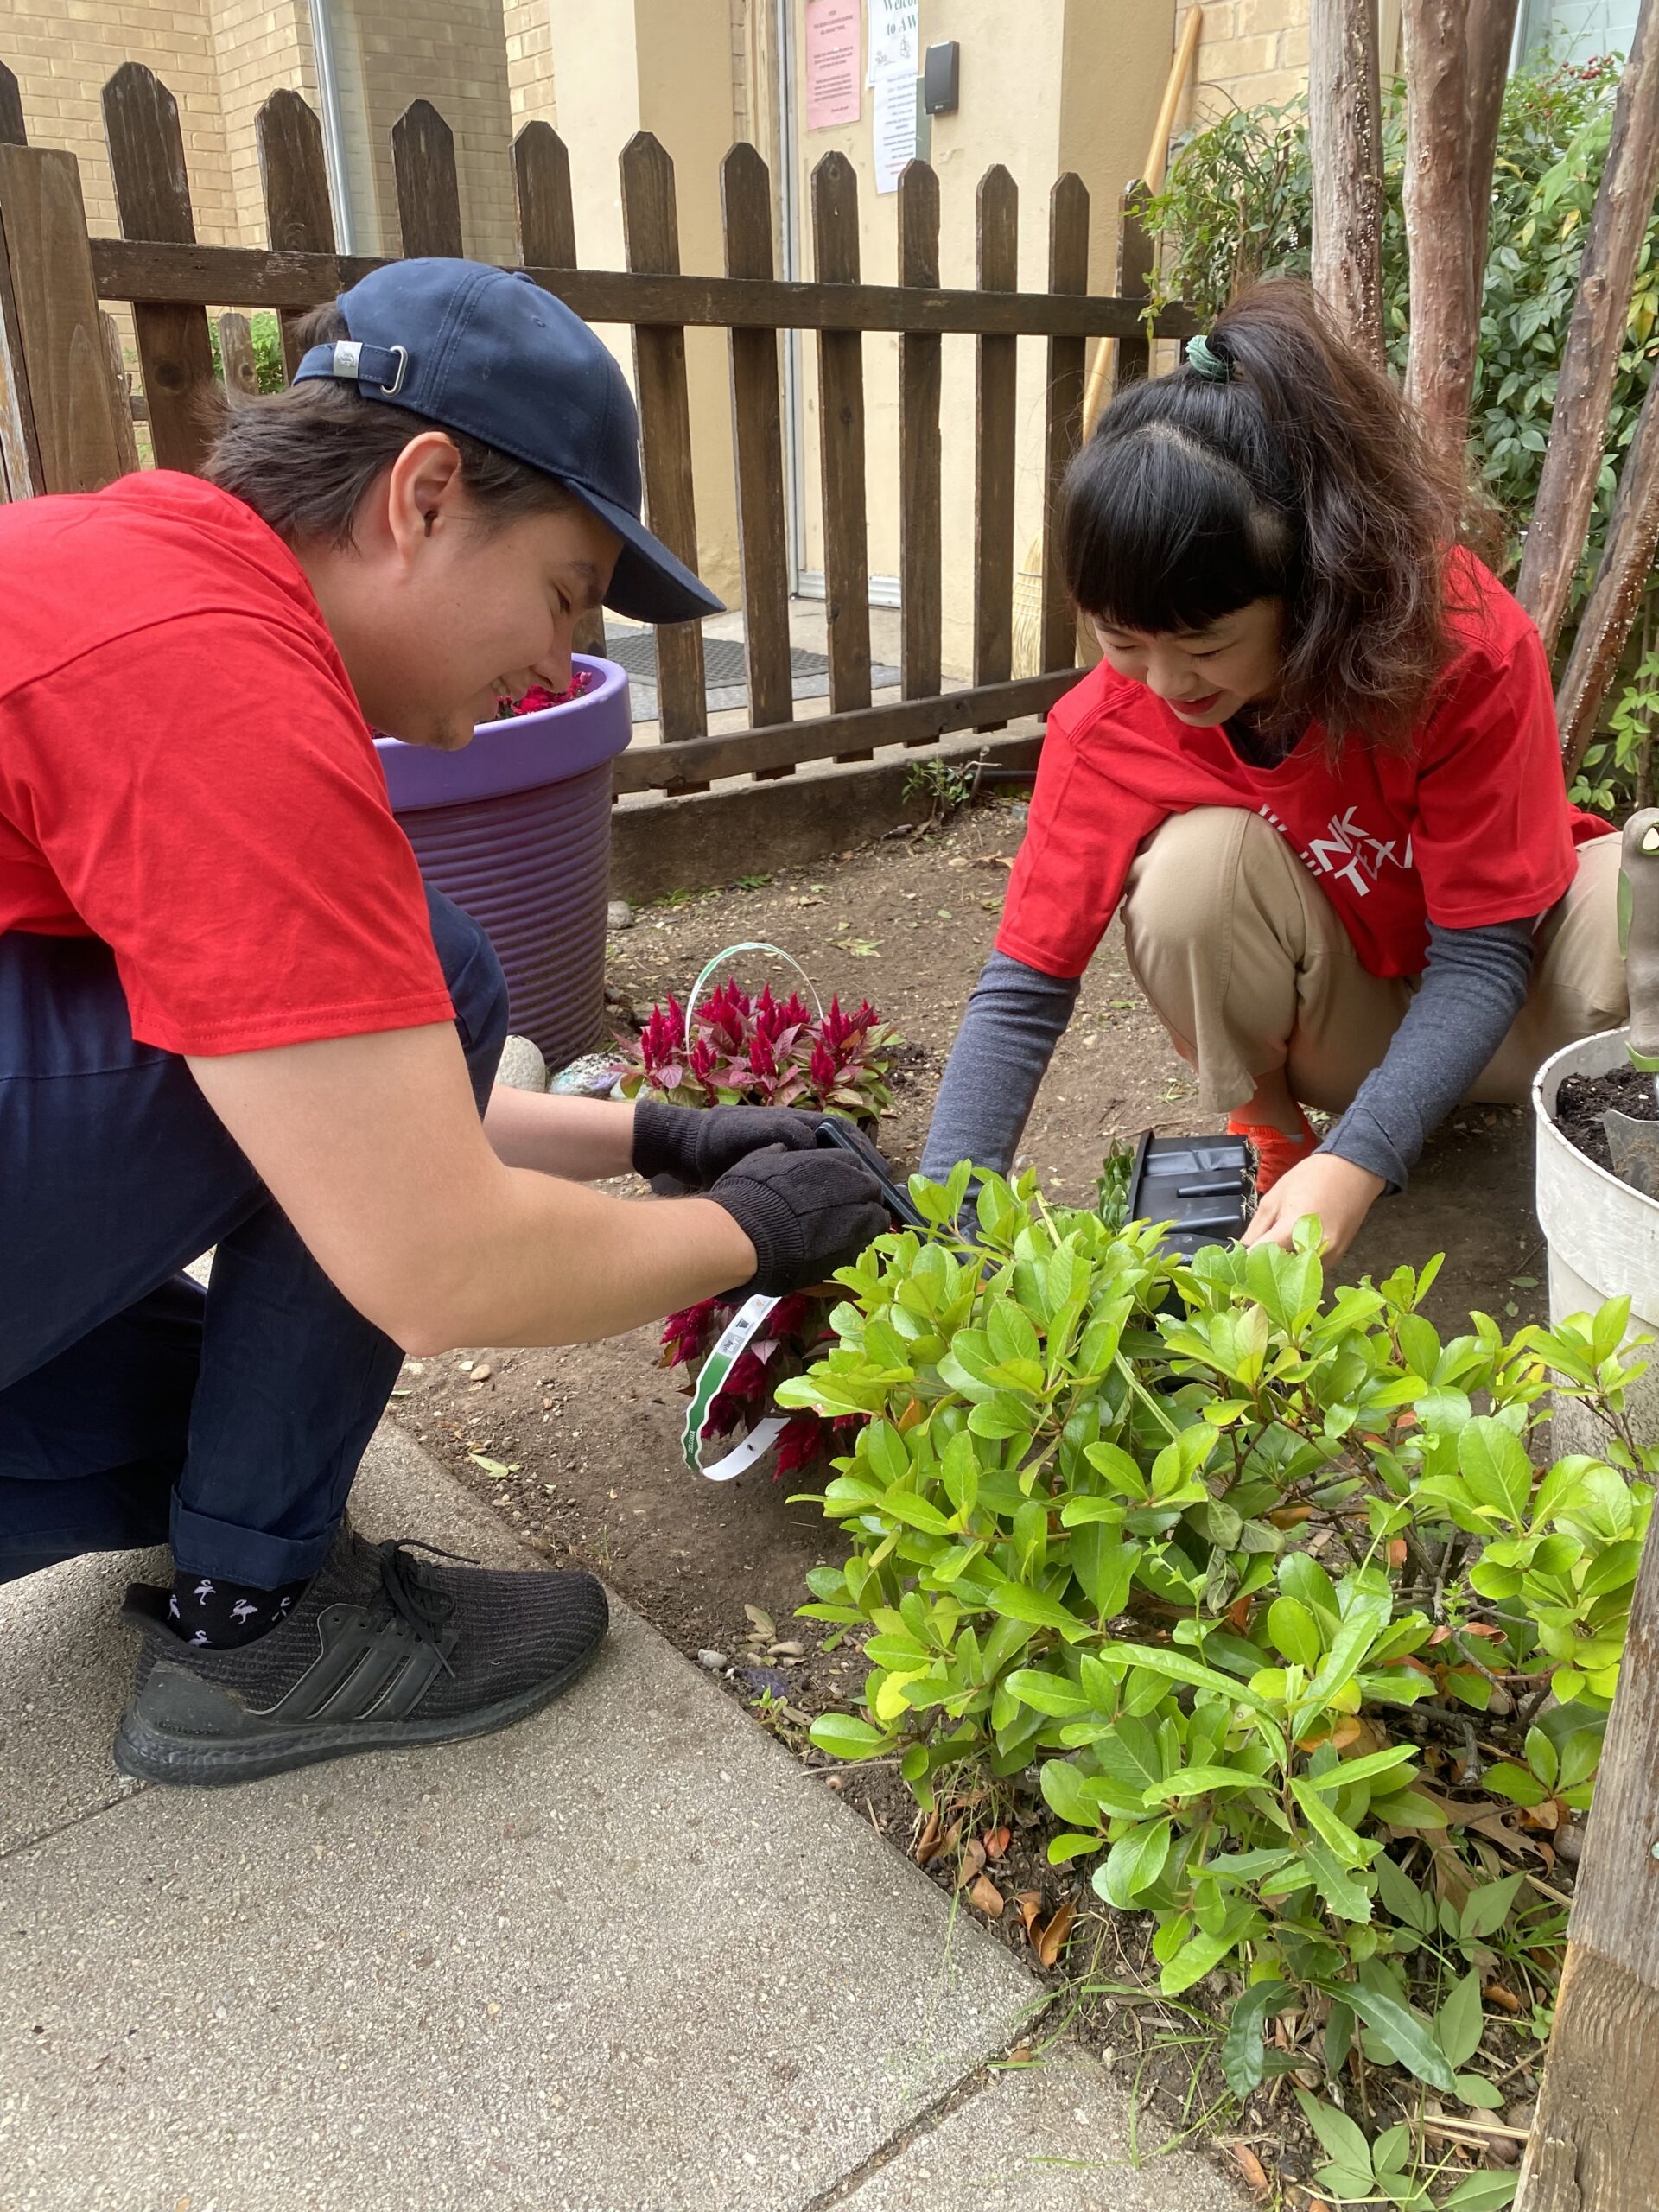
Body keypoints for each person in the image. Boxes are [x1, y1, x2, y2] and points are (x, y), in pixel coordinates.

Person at [0, 257, 888, 1789]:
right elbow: (427, 1255)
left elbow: (323, 1107)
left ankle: (241, 1559)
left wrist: (662, 1135)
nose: (565, 660)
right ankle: (258, 1636)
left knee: (208, 1437)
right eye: (561, 591)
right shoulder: (217, 679)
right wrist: (756, 1231)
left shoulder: (134, 562)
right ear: (420, 493)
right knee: (441, 961)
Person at [921, 280, 1625, 1253]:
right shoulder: (1110, 724)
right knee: (1186, 882)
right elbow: (1023, 990)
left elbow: (1485, 952)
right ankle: (1280, 1146)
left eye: (1205, 642)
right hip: (1350, 1023)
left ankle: (1616, 1178)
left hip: (1529, 998)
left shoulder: (1457, 647)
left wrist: (1366, 1154)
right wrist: (937, 1237)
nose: (1165, 680)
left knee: (1650, 900)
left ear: (1313, 585)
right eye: (1122, 638)